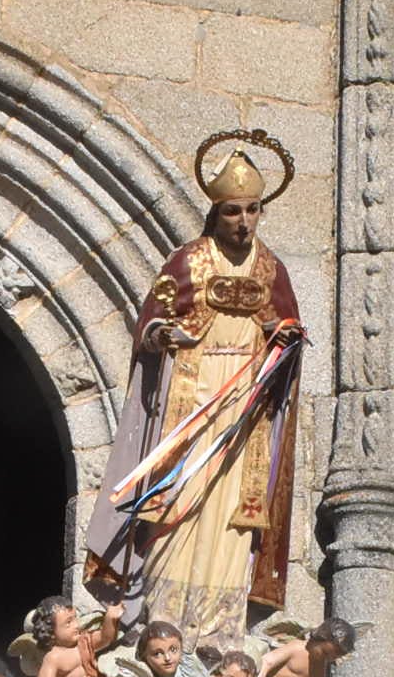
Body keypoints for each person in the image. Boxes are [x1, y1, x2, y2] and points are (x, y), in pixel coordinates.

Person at [83, 134, 308, 646]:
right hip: (190, 407)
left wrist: (286, 337)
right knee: (179, 508)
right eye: (233, 211)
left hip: (244, 411)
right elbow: (152, 323)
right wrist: (165, 335)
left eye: (253, 211)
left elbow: (287, 323)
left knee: (230, 516)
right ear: (216, 212)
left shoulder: (273, 269)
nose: (245, 222)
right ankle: (164, 625)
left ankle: (217, 634)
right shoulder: (188, 262)